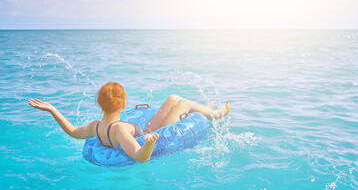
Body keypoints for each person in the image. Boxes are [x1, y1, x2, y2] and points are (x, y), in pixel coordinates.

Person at [28, 82, 230, 163]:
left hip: (144, 130)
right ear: (123, 104)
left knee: (172, 98)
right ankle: (214, 113)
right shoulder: (119, 130)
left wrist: (53, 109)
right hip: (154, 134)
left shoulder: (94, 126)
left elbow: (72, 131)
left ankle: (205, 108)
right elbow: (139, 157)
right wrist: (150, 142)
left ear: (99, 103)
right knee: (181, 103)